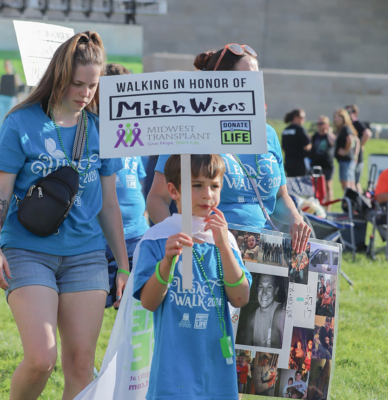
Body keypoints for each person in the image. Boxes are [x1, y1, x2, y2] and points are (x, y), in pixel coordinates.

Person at [0, 32, 129, 400]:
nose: (86, 92)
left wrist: (122, 265)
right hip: (26, 250)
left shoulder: (103, 130)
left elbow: (108, 203)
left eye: (92, 84)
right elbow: (2, 193)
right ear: (58, 76)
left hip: (86, 255)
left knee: (80, 364)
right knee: (42, 358)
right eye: (77, 83)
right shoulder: (21, 123)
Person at [146, 45, 311, 254]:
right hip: (207, 250)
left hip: (265, 252)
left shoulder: (268, 132)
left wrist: (295, 218)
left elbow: (279, 197)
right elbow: (157, 198)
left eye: (257, 78)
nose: (256, 86)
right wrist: (182, 241)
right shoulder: (189, 128)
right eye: (246, 79)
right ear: (219, 83)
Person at [133, 154, 252, 400]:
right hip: (172, 374)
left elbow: (240, 297)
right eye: (197, 185)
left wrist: (224, 246)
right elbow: (149, 302)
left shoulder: (224, 239)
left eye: (215, 186)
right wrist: (167, 262)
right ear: (173, 190)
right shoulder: (157, 238)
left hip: (217, 370)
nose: (207, 194)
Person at [103, 63, 149, 308]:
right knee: (98, 302)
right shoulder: (94, 132)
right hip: (101, 238)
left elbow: (138, 181)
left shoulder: (133, 135)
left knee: (134, 307)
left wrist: (143, 214)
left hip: (136, 235)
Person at [238, 273, 286, 348]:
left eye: (269, 287)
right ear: (257, 290)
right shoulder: (252, 320)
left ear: (276, 290)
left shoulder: (281, 314)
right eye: (261, 287)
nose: (264, 292)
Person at [345, 104, 372, 192]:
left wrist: (360, 146)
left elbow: (367, 134)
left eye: (349, 112)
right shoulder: (347, 125)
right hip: (350, 157)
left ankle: (360, 202)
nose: (347, 114)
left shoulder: (356, 123)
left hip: (356, 157)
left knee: (356, 182)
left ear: (355, 113)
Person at [309, 115, 336, 203]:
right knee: (316, 187)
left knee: (328, 186)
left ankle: (328, 208)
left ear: (327, 125)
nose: (319, 126)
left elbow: (333, 142)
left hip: (327, 164)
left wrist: (328, 132)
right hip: (316, 164)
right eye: (318, 124)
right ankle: (317, 206)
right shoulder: (315, 136)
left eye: (321, 124)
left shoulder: (329, 136)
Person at [333, 109, 360, 191]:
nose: (336, 119)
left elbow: (350, 140)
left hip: (346, 160)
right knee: (350, 184)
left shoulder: (345, 128)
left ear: (344, 118)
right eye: (335, 117)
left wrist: (345, 151)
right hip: (346, 160)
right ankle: (352, 202)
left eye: (338, 117)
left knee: (346, 184)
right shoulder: (342, 129)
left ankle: (349, 202)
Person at [281, 109, 311, 177]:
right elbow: (307, 147)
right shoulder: (300, 129)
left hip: (288, 163)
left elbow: (283, 147)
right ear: (295, 117)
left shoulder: (285, 130)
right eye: (302, 117)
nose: (304, 119)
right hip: (300, 163)